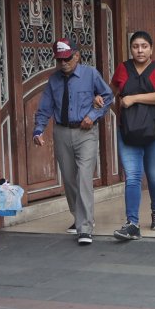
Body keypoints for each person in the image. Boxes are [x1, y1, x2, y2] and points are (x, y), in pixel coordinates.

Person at [32, 38, 114, 245]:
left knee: (84, 178)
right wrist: (39, 129)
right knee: (69, 179)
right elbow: (45, 107)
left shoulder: (90, 74)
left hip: (86, 132)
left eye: (67, 59)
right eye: (59, 60)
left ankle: (85, 227)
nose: (63, 63)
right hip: (62, 132)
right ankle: (78, 217)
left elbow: (108, 96)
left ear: (77, 56)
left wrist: (93, 116)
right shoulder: (54, 80)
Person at [110, 31, 155, 240]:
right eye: (136, 46)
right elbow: (113, 94)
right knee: (133, 176)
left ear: (151, 49)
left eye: (144, 46)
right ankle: (132, 223)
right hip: (128, 131)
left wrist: (134, 98)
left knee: (154, 174)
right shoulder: (123, 68)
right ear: (131, 48)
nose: (140, 50)